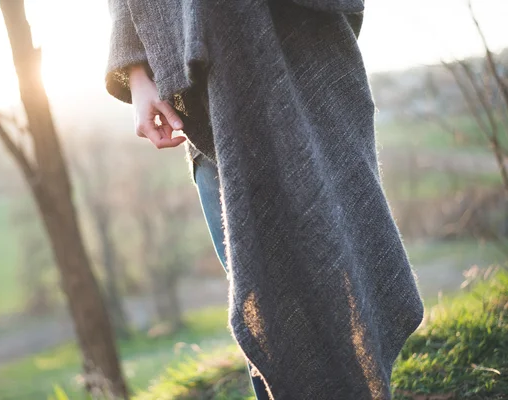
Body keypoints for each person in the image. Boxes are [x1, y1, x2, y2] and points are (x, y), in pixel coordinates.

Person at [105, 0, 425, 398]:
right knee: (268, 297)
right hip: (211, 92)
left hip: (308, 56)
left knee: (346, 273)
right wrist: (136, 70)